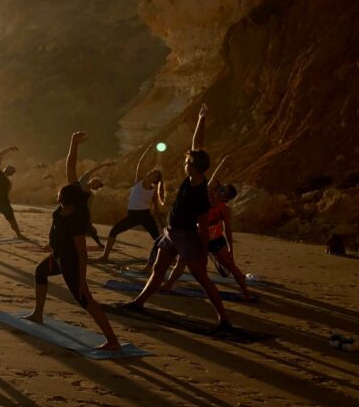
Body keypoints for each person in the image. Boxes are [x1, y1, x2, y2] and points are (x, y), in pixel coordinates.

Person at [124, 104, 235, 334]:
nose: (184, 164)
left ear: (193, 167)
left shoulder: (200, 192)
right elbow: (198, 145)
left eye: (187, 163)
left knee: (202, 279)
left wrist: (203, 252)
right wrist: (201, 119)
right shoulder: (193, 176)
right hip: (172, 232)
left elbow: (203, 226)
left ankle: (224, 319)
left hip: (186, 236)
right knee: (158, 269)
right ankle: (138, 303)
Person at [23, 132, 120, 350]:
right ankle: (38, 314)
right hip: (58, 256)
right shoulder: (69, 202)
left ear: (70, 202)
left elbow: (82, 253)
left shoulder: (77, 217)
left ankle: (113, 341)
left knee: (86, 300)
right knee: (40, 273)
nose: (57, 197)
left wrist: (82, 281)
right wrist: (73, 144)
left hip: (71, 262)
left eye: (60, 197)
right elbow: (70, 167)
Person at [161, 157, 256, 301]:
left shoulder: (224, 209)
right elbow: (212, 179)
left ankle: (246, 293)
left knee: (231, 267)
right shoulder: (205, 197)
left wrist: (231, 249)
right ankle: (168, 285)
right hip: (198, 238)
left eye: (224, 191)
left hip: (216, 241)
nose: (221, 190)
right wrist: (223, 163)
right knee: (181, 263)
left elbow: (228, 230)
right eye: (222, 188)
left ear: (226, 198)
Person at [98, 144, 165, 266]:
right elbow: (140, 163)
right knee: (114, 231)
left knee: (158, 239)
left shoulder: (153, 192)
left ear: (156, 179)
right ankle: (105, 256)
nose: (151, 173)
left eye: (154, 174)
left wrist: (162, 223)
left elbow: (155, 210)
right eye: (152, 172)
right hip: (132, 215)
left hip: (145, 215)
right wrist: (148, 149)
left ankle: (163, 259)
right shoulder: (138, 181)